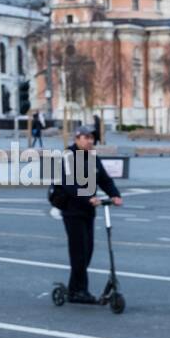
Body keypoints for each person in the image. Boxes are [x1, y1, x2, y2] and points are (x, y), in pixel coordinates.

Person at [52, 125, 122, 303]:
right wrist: (88, 197)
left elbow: (104, 179)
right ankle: (79, 290)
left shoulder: (92, 158)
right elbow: (69, 185)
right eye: (87, 137)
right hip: (72, 210)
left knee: (87, 250)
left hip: (88, 211)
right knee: (79, 252)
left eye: (92, 138)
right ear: (77, 139)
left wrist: (115, 194)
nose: (90, 141)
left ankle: (74, 289)